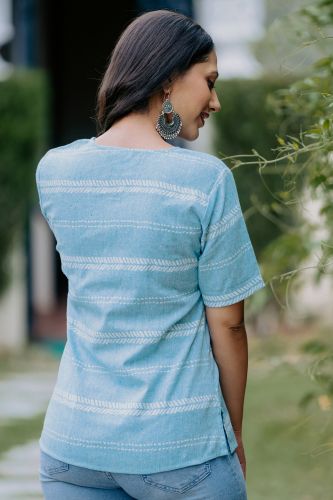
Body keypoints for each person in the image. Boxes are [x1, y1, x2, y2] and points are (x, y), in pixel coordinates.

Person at [37, 9, 265, 499]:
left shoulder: (55, 171)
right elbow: (228, 323)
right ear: (167, 79)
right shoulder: (204, 182)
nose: (216, 101)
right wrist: (233, 435)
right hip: (181, 450)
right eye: (209, 81)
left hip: (74, 447)